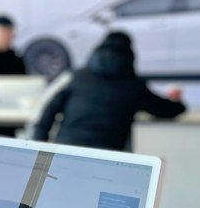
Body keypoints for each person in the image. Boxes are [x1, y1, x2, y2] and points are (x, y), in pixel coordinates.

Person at [32, 30, 185, 150]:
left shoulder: (77, 77)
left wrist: (40, 146)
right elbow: (167, 110)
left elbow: (48, 111)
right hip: (108, 157)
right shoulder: (134, 86)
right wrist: (178, 102)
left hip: (67, 149)